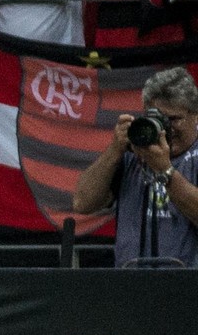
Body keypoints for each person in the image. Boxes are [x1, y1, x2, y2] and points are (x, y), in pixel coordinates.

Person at [75, 67, 198, 269]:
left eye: (174, 119)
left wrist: (165, 171)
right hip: (131, 281)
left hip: (187, 282)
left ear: (195, 116)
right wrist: (115, 150)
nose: (167, 129)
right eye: (159, 119)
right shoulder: (134, 152)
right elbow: (82, 203)